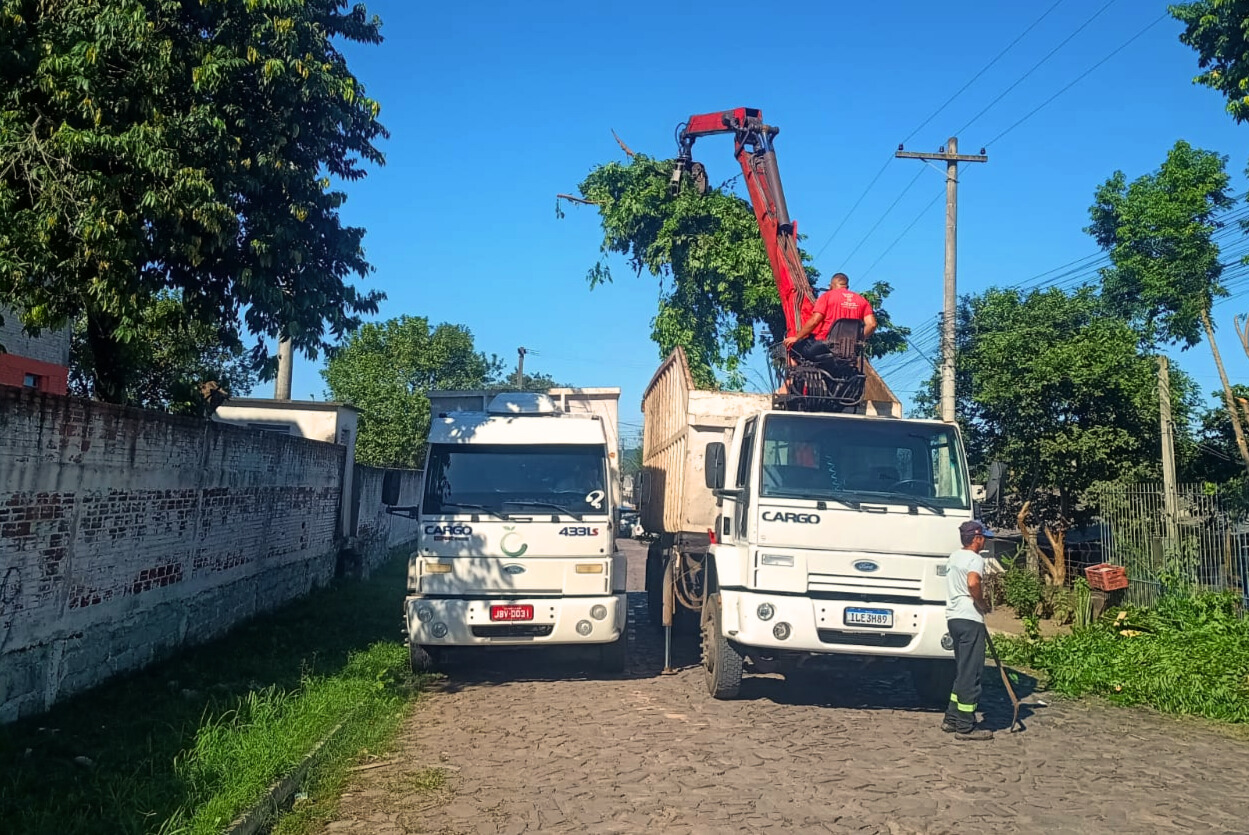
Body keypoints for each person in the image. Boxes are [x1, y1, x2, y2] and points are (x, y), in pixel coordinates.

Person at [942, 519, 995, 741]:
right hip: (970, 617)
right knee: (972, 673)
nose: (985, 542)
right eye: (983, 538)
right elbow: (973, 583)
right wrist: (982, 603)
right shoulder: (975, 559)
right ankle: (965, 725)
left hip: (953, 618)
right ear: (976, 539)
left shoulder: (953, 557)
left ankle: (951, 718)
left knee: (962, 669)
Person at [782, 272, 878, 360]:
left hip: (825, 345)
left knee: (793, 350)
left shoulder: (827, 296)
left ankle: (790, 379)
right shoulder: (862, 300)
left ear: (831, 285)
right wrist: (857, 340)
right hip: (849, 349)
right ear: (847, 286)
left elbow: (815, 320)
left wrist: (796, 337)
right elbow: (872, 324)